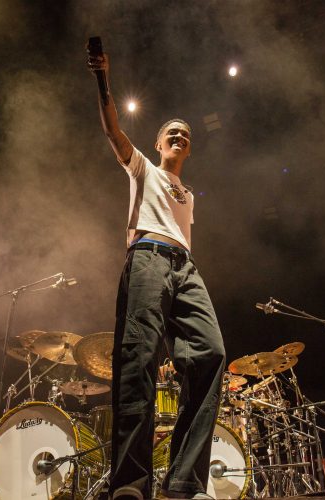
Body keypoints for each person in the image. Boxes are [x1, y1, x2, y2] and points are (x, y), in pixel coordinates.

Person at [87, 45, 226, 500]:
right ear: (159, 144)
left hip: (185, 266)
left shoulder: (189, 194)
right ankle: (130, 484)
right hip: (148, 257)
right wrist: (103, 80)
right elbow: (113, 129)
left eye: (186, 134)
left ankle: (184, 482)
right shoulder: (142, 168)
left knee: (210, 353)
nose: (180, 135)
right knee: (139, 361)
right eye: (172, 132)